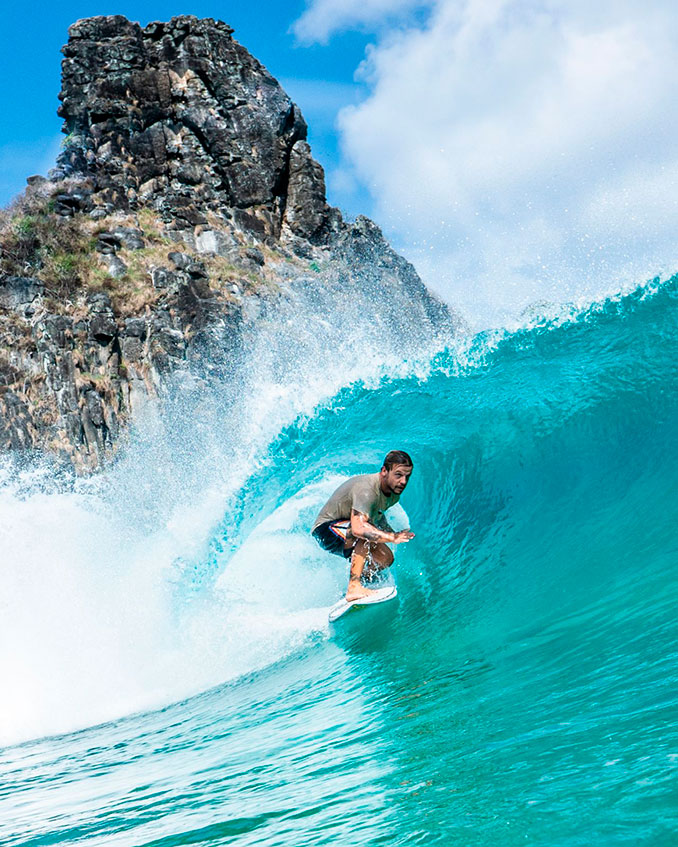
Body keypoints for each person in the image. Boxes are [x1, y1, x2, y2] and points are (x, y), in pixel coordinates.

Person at [311, 450, 415, 601]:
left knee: (386, 558)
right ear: (384, 471)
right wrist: (392, 537)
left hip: (346, 530)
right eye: (398, 475)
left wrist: (393, 532)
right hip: (326, 530)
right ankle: (353, 587)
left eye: (407, 476)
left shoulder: (393, 494)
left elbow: (377, 515)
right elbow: (359, 528)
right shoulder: (368, 490)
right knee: (364, 533)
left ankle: (362, 583)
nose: (403, 481)